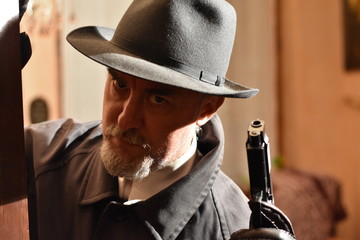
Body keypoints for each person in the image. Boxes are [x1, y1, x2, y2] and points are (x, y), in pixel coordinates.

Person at [24, 0, 262, 239]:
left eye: (157, 99)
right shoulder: (39, 157)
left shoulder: (230, 229)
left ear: (206, 110)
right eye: (120, 85)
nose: (125, 120)